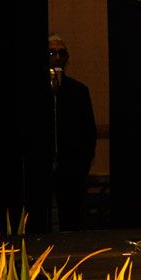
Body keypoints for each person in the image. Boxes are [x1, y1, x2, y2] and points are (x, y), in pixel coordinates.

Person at [48, 33, 97, 231]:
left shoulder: (78, 90)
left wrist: (82, 163)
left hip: (71, 166)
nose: (58, 57)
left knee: (71, 218)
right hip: (41, 165)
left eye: (62, 53)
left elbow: (89, 131)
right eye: (52, 53)